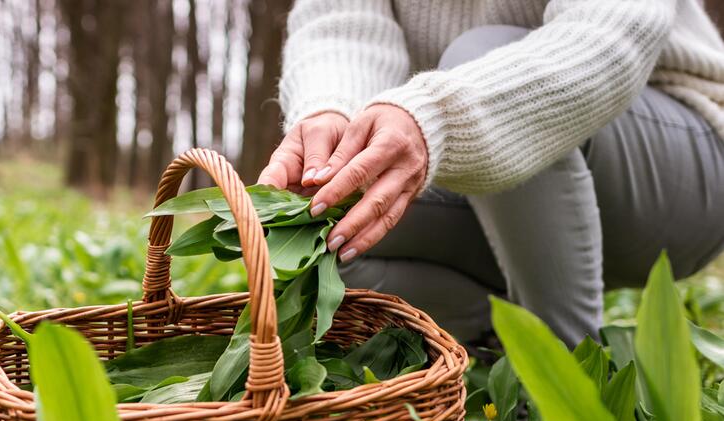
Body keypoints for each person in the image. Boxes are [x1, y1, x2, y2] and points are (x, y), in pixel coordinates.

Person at [259, 0, 724, 347]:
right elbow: (339, 29)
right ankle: (509, 345)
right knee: (328, 229)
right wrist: (332, 118)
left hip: (680, 166)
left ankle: (567, 384)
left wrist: (438, 117)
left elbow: (611, 32)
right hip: (495, 193)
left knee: (479, 53)